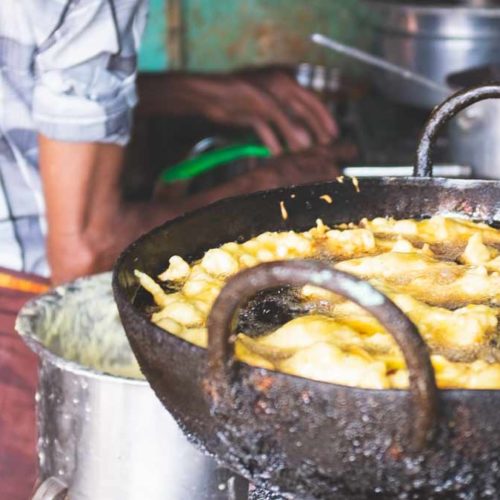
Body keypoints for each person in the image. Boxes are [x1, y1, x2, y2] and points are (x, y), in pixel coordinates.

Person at [0, 1, 352, 497]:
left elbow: (22, 72)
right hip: (19, 322)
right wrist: (274, 190)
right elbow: (85, 254)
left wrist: (210, 93)